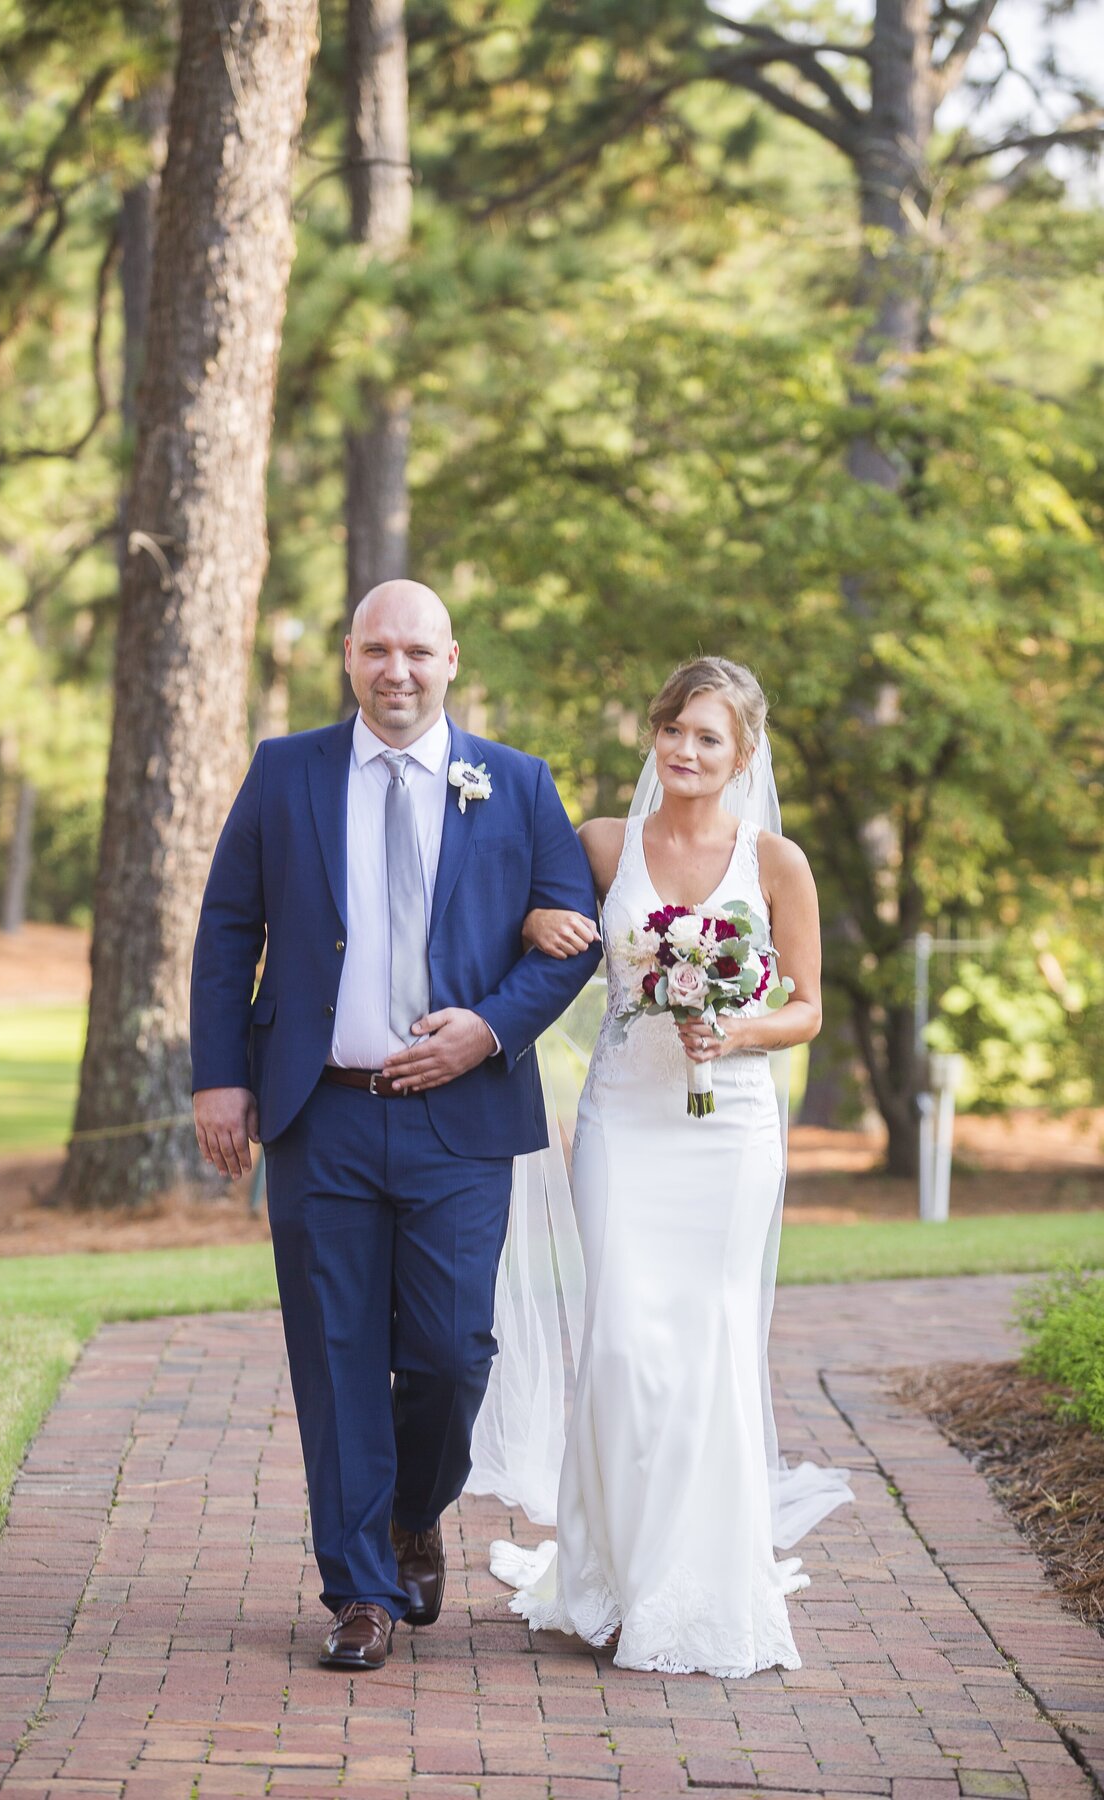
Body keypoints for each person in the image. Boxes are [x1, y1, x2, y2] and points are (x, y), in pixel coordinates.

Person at [189, 581, 600, 1671]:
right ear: (348, 657)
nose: (397, 671)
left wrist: (489, 1030)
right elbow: (229, 925)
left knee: (453, 1352)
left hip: (459, 1120)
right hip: (319, 1112)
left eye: (417, 650)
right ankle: (362, 1590)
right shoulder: (286, 773)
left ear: (452, 658)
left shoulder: (515, 784)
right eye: (377, 650)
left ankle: (417, 1513)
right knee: (335, 1357)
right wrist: (219, 1077)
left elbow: (577, 933)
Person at [489, 656, 854, 1677]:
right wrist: (533, 918)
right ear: (655, 735)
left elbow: (807, 1005)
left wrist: (734, 1034)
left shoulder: (775, 864)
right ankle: (607, 1572)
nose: (686, 752)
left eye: (709, 738)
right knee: (618, 1348)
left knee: (709, 1346)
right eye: (674, 731)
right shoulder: (605, 844)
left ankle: (693, 1581)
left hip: (728, 1131)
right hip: (622, 1122)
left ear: (743, 755)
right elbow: (518, 907)